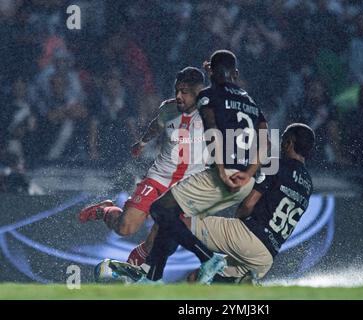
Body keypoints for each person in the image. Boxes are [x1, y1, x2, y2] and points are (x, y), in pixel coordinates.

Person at [98, 123, 314, 284]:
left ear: (288, 142)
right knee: (198, 280)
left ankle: (149, 274)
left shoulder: (277, 164)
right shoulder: (308, 184)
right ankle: (242, 286)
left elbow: (249, 204)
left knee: (175, 219)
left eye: (283, 139)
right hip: (266, 257)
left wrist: (239, 215)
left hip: (249, 236)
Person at [132, 49, 270, 283]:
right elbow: (266, 140)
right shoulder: (250, 102)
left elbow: (212, 130)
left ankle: (208, 258)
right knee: (173, 216)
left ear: (211, 73)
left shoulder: (208, 95)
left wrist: (222, 170)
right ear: (234, 73)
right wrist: (249, 173)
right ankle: (152, 277)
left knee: (160, 209)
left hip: (223, 176)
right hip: (246, 182)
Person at [78, 67, 207, 261]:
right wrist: (143, 142)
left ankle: (133, 271)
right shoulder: (168, 108)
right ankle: (103, 210)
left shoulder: (213, 112)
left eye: (185, 92)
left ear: (199, 91)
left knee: (161, 242)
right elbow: (157, 124)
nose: (179, 96)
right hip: (159, 178)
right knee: (125, 227)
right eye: (176, 91)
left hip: (187, 187)